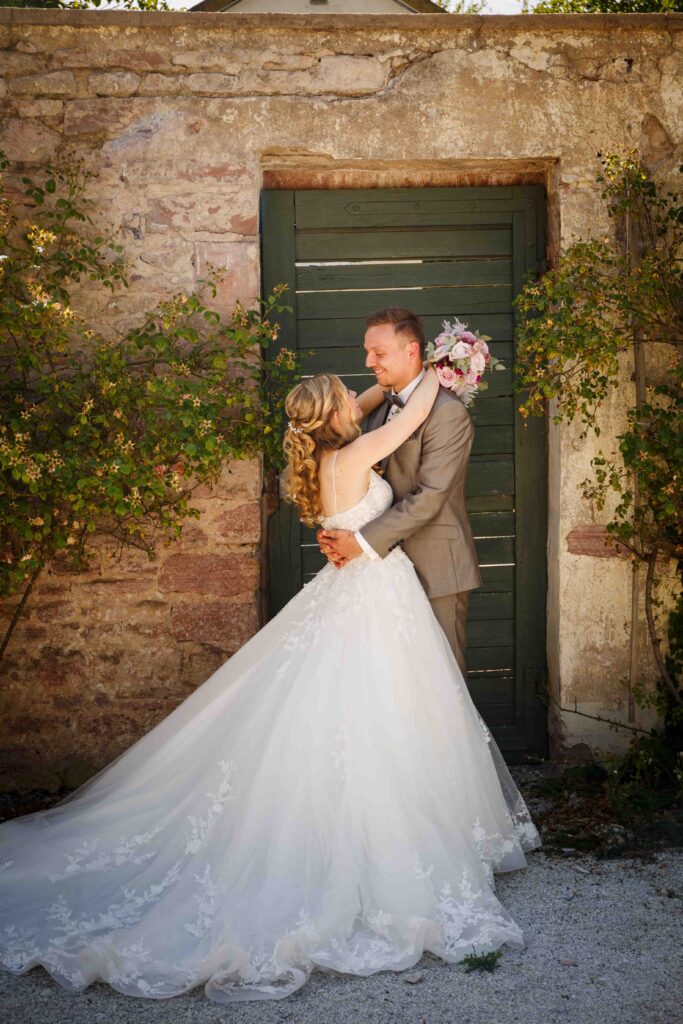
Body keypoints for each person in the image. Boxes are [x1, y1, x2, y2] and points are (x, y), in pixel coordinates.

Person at [0, 368, 542, 1005]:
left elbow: (363, 405)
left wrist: (364, 391)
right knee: (385, 710)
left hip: (354, 590)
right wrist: (438, 370)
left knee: (349, 709)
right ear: (334, 414)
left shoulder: (313, 459)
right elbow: (411, 417)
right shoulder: (355, 450)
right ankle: (388, 842)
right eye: (346, 395)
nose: (356, 394)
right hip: (375, 596)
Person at [318, 307, 481, 681]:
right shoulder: (378, 408)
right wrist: (337, 528)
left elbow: (430, 496)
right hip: (382, 575)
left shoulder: (447, 413)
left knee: (442, 683)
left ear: (411, 351)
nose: (368, 361)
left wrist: (359, 541)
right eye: (367, 351)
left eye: (378, 353)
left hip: (435, 568)